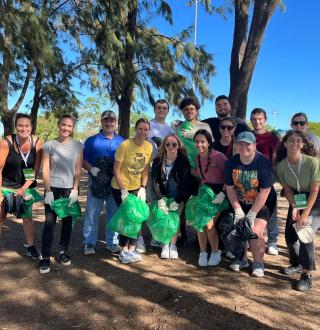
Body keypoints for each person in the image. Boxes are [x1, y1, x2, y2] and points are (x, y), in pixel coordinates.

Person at [225, 131, 276, 277]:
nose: (244, 147)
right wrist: (238, 209)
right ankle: (242, 259)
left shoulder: (263, 162)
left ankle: (258, 263)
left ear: (254, 145)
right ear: (236, 146)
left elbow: (265, 191)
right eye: (240, 144)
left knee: (254, 231)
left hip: (262, 202)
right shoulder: (231, 162)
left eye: (248, 144)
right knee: (236, 227)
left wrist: (253, 213)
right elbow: (229, 188)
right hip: (241, 201)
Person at [275, 130, 320, 292]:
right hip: (298, 197)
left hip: (316, 198)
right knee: (290, 235)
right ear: (285, 143)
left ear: (303, 144)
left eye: (298, 141)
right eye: (291, 140)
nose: (295, 143)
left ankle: (306, 275)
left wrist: (305, 214)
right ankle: (297, 264)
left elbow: (315, 191)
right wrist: (294, 207)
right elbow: (287, 190)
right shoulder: (281, 166)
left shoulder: (313, 162)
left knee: (305, 231)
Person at [38, 115, 83, 274]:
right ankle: (45, 256)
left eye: (69, 126)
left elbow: (78, 169)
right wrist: (48, 190)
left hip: (69, 189)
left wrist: (75, 189)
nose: (66, 128)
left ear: (73, 128)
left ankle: (62, 251)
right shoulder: (49, 145)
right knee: (49, 223)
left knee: (67, 223)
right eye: (63, 124)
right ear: (59, 125)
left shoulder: (78, 145)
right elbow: (45, 168)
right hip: (53, 189)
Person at [0, 113, 42, 258]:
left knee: (27, 216)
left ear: (31, 127)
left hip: (26, 185)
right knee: (0, 215)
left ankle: (30, 246)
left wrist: (24, 188)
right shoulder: (6, 143)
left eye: (27, 125)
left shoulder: (37, 142)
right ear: (16, 127)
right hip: (6, 185)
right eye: (20, 125)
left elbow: (35, 170)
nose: (24, 128)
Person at [82, 110, 124, 255]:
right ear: (101, 121)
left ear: (115, 122)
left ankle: (112, 242)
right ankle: (89, 243)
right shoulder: (91, 140)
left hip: (114, 182)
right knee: (92, 213)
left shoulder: (122, 141)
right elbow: (83, 159)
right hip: (96, 180)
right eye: (106, 120)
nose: (109, 123)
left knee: (113, 213)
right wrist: (92, 169)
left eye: (112, 120)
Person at [111, 118, 153, 264]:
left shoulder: (149, 147)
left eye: (146, 129)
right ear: (135, 130)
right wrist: (123, 190)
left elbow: (146, 168)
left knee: (137, 217)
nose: (143, 132)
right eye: (140, 129)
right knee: (126, 217)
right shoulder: (125, 145)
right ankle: (123, 250)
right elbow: (116, 169)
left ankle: (132, 249)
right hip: (120, 187)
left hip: (137, 187)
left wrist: (143, 187)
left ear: (149, 131)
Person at [175, 97, 213, 246]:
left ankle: (200, 237)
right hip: (185, 169)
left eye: (191, 109)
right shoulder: (179, 128)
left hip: (202, 169)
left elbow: (211, 144)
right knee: (182, 201)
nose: (189, 111)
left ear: (197, 110)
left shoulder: (204, 126)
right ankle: (183, 234)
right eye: (186, 109)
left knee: (202, 201)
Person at [151, 133, 191, 259]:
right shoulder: (158, 160)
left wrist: (178, 200)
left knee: (175, 219)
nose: (171, 146)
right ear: (164, 145)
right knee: (163, 218)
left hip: (178, 196)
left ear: (178, 145)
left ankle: (172, 245)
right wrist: (159, 199)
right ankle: (165, 244)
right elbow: (155, 181)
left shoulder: (183, 160)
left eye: (174, 144)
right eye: (168, 144)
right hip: (163, 195)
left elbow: (186, 182)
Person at [193, 129, 228, 267]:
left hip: (219, 195)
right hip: (205, 194)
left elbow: (230, 175)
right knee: (199, 221)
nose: (199, 144)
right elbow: (203, 179)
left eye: (202, 141)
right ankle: (203, 252)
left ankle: (215, 251)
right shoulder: (197, 158)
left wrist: (223, 193)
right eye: (196, 141)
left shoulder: (219, 156)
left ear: (208, 143)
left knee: (208, 223)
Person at [144, 99, 175, 251]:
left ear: (167, 110)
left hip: (166, 169)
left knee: (163, 201)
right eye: (158, 107)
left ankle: (160, 235)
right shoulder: (148, 126)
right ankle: (152, 235)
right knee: (151, 201)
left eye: (164, 108)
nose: (161, 110)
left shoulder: (170, 129)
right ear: (154, 109)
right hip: (149, 169)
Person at [250, 108, 280, 256]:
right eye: (254, 119)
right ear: (250, 120)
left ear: (265, 120)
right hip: (249, 180)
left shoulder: (272, 138)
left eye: (260, 118)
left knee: (271, 209)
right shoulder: (247, 136)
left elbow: (276, 158)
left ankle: (273, 241)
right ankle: (253, 237)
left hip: (267, 179)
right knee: (254, 209)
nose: (257, 121)